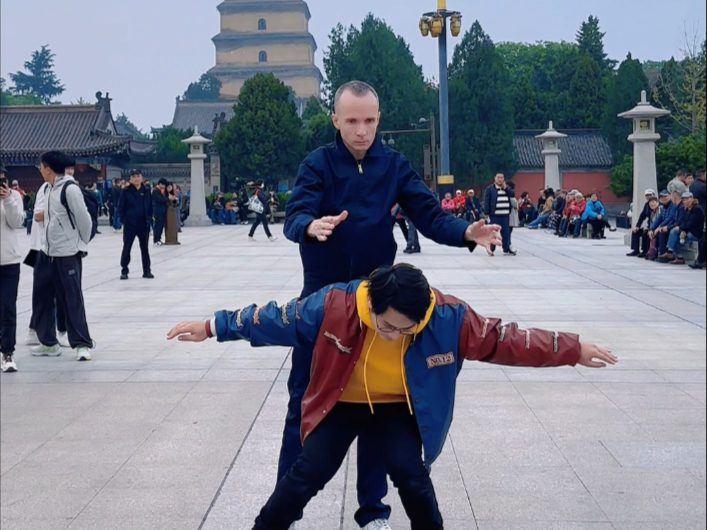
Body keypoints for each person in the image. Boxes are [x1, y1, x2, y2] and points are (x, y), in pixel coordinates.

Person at [167, 263, 617, 530]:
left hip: (398, 407)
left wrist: (572, 349)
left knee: (411, 476)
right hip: (342, 401)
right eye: (386, 326)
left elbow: (506, 339)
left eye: (406, 330)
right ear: (372, 307)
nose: (393, 335)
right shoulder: (336, 306)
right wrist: (212, 326)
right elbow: (274, 319)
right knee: (306, 474)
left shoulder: (447, 318)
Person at [282, 80, 501, 530]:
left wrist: (465, 232)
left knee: (375, 405)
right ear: (336, 120)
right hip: (324, 302)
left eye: (369, 120)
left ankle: (373, 512)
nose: (361, 130)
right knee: (302, 400)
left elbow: (429, 215)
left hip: (378, 304)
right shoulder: (317, 164)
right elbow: (294, 214)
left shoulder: (394, 165)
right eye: (351, 121)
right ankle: (285, 505)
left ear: (378, 119)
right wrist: (309, 225)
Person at [29, 151, 94, 361]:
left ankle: (82, 344)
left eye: (41, 166)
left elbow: (85, 221)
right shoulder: (47, 189)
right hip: (46, 252)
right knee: (41, 298)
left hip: (67, 254)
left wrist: (79, 244)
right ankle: (48, 342)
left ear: (48, 169)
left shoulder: (70, 189)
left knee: (71, 299)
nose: (40, 170)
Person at [25, 171, 69, 348]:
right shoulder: (46, 188)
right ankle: (50, 331)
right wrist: (60, 210)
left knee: (52, 292)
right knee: (47, 293)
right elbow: (37, 215)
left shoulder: (65, 188)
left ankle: (40, 330)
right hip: (43, 248)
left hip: (56, 247)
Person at [1, 172, 26, 373]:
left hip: (9, 260)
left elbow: (16, 222)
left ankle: (7, 353)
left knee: (8, 308)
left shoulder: (14, 196)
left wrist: (8, 199)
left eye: (3, 179)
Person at [119, 170, 154, 280]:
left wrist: (149, 219)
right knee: (127, 247)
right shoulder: (125, 191)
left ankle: (147, 271)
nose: (136, 179)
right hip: (130, 224)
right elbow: (120, 207)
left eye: (138, 176)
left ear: (141, 178)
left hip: (143, 224)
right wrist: (124, 220)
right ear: (130, 179)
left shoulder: (146, 191)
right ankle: (124, 270)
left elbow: (150, 206)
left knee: (144, 248)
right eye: (133, 176)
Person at [662, 192, 705, 265]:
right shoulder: (686, 209)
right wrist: (682, 230)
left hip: (695, 233)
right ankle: (675, 255)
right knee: (674, 233)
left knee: (675, 236)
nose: (686, 201)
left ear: (692, 198)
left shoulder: (697, 209)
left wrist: (682, 230)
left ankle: (672, 252)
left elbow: (691, 223)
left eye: (687, 199)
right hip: (687, 230)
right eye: (684, 200)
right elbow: (683, 222)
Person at [484, 173, 516, 255]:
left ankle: (506, 248)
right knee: (493, 232)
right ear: (494, 178)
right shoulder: (490, 189)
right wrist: (486, 213)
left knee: (506, 233)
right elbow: (486, 201)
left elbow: (512, 194)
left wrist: (506, 188)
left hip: (505, 215)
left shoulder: (507, 188)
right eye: (498, 177)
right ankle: (492, 247)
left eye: (502, 177)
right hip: (494, 215)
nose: (500, 179)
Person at [627, 189, 657, 257]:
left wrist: (650, 228)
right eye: (647, 195)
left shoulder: (658, 206)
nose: (648, 197)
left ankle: (645, 251)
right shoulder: (646, 205)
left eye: (650, 195)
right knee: (635, 231)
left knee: (645, 233)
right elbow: (642, 216)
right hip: (649, 226)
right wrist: (637, 226)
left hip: (654, 227)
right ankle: (636, 250)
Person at [152, 178, 168, 245]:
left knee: (160, 226)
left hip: (161, 210)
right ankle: (156, 239)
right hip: (158, 211)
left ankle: (159, 238)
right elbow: (159, 199)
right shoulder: (155, 191)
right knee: (158, 225)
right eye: (164, 185)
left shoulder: (160, 191)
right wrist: (167, 199)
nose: (164, 187)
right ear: (160, 184)